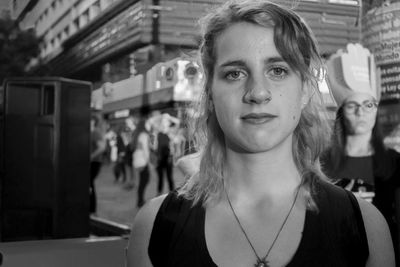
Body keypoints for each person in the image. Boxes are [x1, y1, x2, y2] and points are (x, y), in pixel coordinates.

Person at [126, 1, 395, 266]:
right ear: (209, 94)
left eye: (277, 70)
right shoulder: (155, 227)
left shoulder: (366, 228)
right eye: (235, 74)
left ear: (304, 90)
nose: (257, 92)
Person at [322, 43, 400, 264]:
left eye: (368, 105)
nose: (360, 113)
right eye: (352, 105)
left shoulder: (393, 163)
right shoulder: (322, 165)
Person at [132, 112, 151, 208]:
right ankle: (140, 201)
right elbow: (145, 149)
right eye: (147, 123)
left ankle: (140, 200)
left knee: (142, 181)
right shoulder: (143, 134)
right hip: (143, 161)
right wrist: (148, 161)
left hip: (137, 161)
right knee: (145, 180)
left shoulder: (137, 134)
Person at [90, 114, 106, 215]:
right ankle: (91, 209)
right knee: (89, 184)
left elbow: (101, 147)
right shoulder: (91, 132)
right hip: (92, 162)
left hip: (94, 162)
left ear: (93, 121)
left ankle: (92, 209)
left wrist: (91, 156)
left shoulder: (95, 132)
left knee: (90, 183)